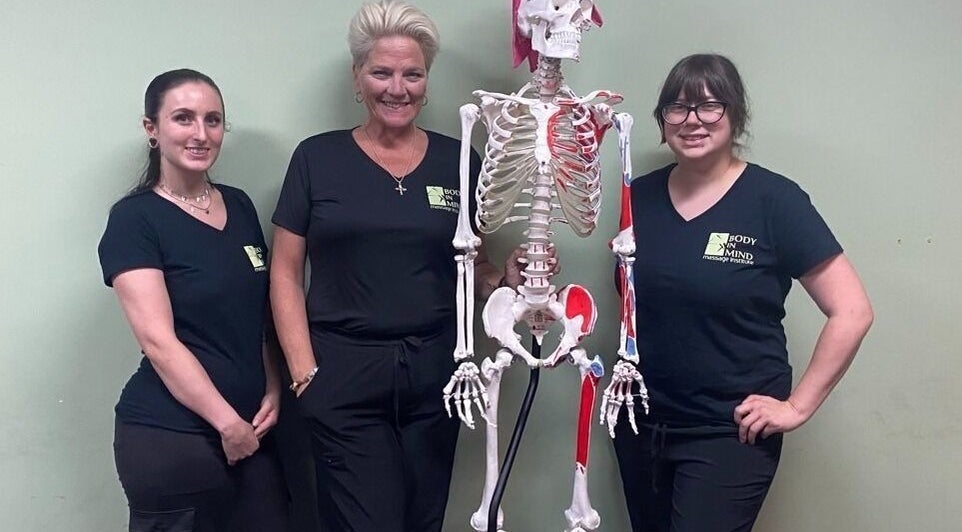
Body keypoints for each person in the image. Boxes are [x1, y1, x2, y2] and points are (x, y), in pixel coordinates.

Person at [269, 2, 520, 531]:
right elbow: (286, 272)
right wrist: (302, 372)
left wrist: (509, 278)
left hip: (437, 373)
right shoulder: (318, 159)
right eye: (381, 72)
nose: (397, 87)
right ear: (358, 78)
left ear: (427, 81)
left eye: (413, 74)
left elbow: (472, 265)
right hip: (343, 372)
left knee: (422, 519)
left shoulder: (460, 161)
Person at [612, 54, 874, 532]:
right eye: (677, 108)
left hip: (727, 432)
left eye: (709, 106)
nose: (692, 121)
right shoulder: (639, 197)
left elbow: (852, 310)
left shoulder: (775, 201)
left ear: (735, 115)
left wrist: (796, 407)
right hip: (644, 426)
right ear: (662, 120)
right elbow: (632, 300)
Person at [98, 69, 289, 532]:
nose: (201, 134)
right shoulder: (135, 219)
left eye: (213, 120)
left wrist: (273, 387)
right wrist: (227, 423)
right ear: (152, 129)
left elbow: (253, 315)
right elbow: (158, 342)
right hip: (171, 437)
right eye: (183, 118)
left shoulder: (240, 206)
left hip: (251, 430)